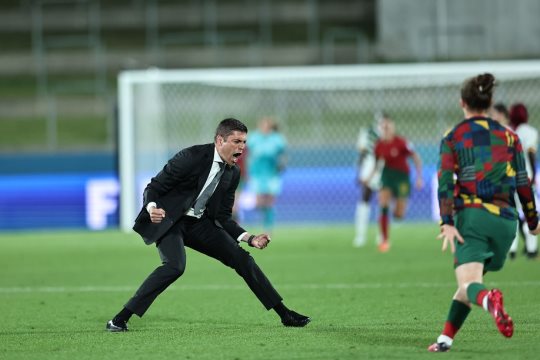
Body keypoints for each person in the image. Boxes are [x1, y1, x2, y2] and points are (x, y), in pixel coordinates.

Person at [106, 118, 310, 332]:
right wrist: (151, 208)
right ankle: (120, 319)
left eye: (244, 142)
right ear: (220, 140)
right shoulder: (191, 157)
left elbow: (223, 217)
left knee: (242, 259)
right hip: (170, 220)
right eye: (236, 141)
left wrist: (250, 238)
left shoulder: (233, 173)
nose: (241, 147)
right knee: (175, 266)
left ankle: (285, 314)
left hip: (199, 224)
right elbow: (154, 186)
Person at [429, 73, 540, 352]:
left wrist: (447, 222)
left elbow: (444, 182)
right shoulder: (510, 136)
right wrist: (533, 220)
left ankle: (491, 300)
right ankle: (445, 339)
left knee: (471, 285)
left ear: (462, 103)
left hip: (473, 218)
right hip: (506, 222)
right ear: (489, 102)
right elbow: (523, 183)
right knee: (470, 282)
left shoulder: (453, 137)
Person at [365, 115, 422, 252]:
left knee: (399, 214)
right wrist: (369, 178)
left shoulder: (401, 142)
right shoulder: (378, 145)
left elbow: (415, 157)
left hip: (402, 177)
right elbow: (376, 164)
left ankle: (396, 211)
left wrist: (419, 177)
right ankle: (384, 240)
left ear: (392, 127)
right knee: (383, 204)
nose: (385, 128)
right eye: (383, 126)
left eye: (387, 126)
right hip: (387, 175)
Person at [508, 103, 539, 259]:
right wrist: (534, 174)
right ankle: (532, 249)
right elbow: (531, 153)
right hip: (524, 177)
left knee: (511, 213)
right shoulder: (531, 132)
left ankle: (511, 250)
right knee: (530, 213)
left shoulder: (510, 132)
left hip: (509, 176)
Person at [246, 117, 287, 235]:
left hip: (271, 175)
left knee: (269, 201)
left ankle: (268, 227)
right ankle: (258, 220)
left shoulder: (277, 139)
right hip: (257, 174)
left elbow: (282, 155)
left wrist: (281, 165)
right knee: (259, 202)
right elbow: (248, 154)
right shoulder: (254, 138)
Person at [353, 114, 382, 247]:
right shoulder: (368, 133)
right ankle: (362, 235)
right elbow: (361, 149)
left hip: (380, 167)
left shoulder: (369, 133)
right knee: (367, 200)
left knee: (379, 201)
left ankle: (380, 235)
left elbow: (361, 148)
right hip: (371, 166)